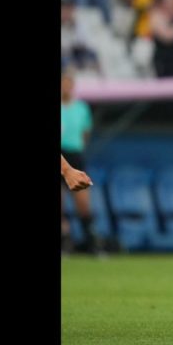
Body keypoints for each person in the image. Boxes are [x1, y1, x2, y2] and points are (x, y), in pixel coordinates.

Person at [61, 73, 102, 255]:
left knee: (83, 204)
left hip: (75, 156)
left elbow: (85, 133)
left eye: (69, 84)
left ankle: (91, 243)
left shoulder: (81, 108)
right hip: (62, 155)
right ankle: (65, 243)